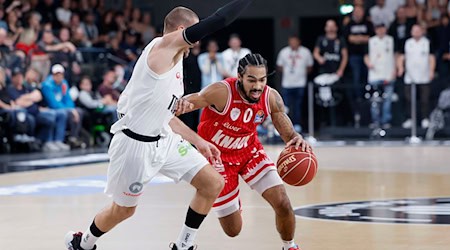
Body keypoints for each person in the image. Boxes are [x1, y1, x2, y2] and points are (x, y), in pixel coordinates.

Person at [64, 1, 254, 250]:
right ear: (182, 30)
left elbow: (166, 117)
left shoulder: (175, 59)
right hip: (134, 145)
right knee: (123, 211)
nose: (196, 42)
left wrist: (199, 141)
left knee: (212, 183)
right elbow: (218, 20)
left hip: (164, 139)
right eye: (192, 34)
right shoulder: (161, 48)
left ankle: (183, 245)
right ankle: (83, 243)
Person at [181, 53, 311, 250]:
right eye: (251, 80)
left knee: (283, 203)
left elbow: (289, 135)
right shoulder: (221, 91)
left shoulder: (270, 97)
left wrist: (297, 140)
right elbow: (183, 105)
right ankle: (233, 200)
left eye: (262, 80)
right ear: (240, 77)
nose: (258, 86)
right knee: (233, 230)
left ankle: (290, 246)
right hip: (218, 160)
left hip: (249, 152)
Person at [397, 24, 436, 129]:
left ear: (422, 31)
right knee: (409, 99)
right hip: (410, 75)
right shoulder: (407, 42)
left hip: (424, 75)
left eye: (418, 30)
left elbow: (431, 57)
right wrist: (400, 67)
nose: (416, 32)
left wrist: (431, 70)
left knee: (425, 99)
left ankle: (425, 118)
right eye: (414, 30)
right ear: (411, 32)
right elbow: (401, 57)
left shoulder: (427, 42)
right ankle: (410, 119)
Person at [276, 35, 313, 132]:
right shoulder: (284, 52)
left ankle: (297, 125)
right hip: (287, 83)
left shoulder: (305, 52)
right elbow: (279, 66)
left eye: (295, 41)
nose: (293, 43)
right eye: (291, 41)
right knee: (285, 107)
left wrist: (300, 73)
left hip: (300, 83)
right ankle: (286, 127)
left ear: (298, 42)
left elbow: (309, 67)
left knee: (298, 106)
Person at [364, 24, 396, 129]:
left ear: (385, 29)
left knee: (388, 100)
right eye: (378, 29)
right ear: (375, 30)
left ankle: (386, 121)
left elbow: (396, 55)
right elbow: (366, 55)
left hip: (388, 74)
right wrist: (369, 63)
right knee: (374, 100)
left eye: (383, 29)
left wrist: (395, 69)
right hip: (375, 75)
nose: (381, 31)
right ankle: (375, 121)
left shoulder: (391, 40)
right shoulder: (371, 41)